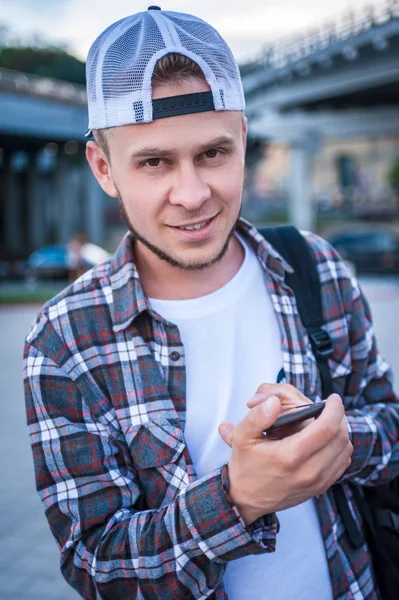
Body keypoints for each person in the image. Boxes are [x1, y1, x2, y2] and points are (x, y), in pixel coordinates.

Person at [23, 7, 398, 600]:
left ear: (243, 141)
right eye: (154, 162)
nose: (193, 194)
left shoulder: (315, 267)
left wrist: (335, 437)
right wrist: (239, 498)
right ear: (104, 167)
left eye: (213, 154)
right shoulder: (65, 341)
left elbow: (391, 430)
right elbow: (96, 567)